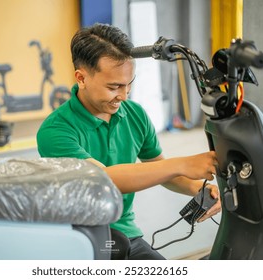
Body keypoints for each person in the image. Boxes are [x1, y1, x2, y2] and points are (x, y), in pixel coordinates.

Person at [36, 23, 221, 260]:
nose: (124, 96)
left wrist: (203, 190)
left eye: (128, 84)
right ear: (81, 78)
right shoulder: (56, 130)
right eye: (114, 87)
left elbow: (163, 171)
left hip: (125, 234)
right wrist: (181, 163)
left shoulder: (134, 114)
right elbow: (104, 181)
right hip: (80, 237)